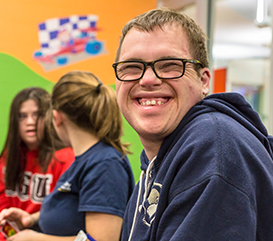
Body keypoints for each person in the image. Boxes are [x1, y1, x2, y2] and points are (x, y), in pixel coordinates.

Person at [112, 7, 273, 241]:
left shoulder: (211, 147)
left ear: (203, 80)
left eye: (170, 65)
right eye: (131, 68)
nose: (147, 79)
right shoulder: (160, 160)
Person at [0, 71, 135, 241]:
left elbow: (100, 240)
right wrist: (31, 219)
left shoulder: (104, 164)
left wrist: (34, 239)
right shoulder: (85, 160)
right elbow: (71, 211)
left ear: (56, 118)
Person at [0, 87, 74, 239]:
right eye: (22, 116)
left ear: (49, 117)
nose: (30, 122)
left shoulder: (65, 158)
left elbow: (63, 210)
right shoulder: (8, 158)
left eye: (37, 115)